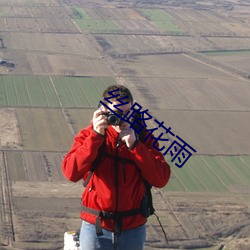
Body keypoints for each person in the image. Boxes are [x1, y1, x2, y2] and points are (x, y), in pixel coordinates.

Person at [62, 85, 171, 250]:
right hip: (96, 226)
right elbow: (71, 172)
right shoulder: (89, 135)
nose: (122, 118)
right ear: (104, 111)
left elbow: (161, 178)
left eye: (127, 112)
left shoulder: (143, 138)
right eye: (116, 113)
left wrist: (135, 146)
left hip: (132, 228)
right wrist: (96, 137)